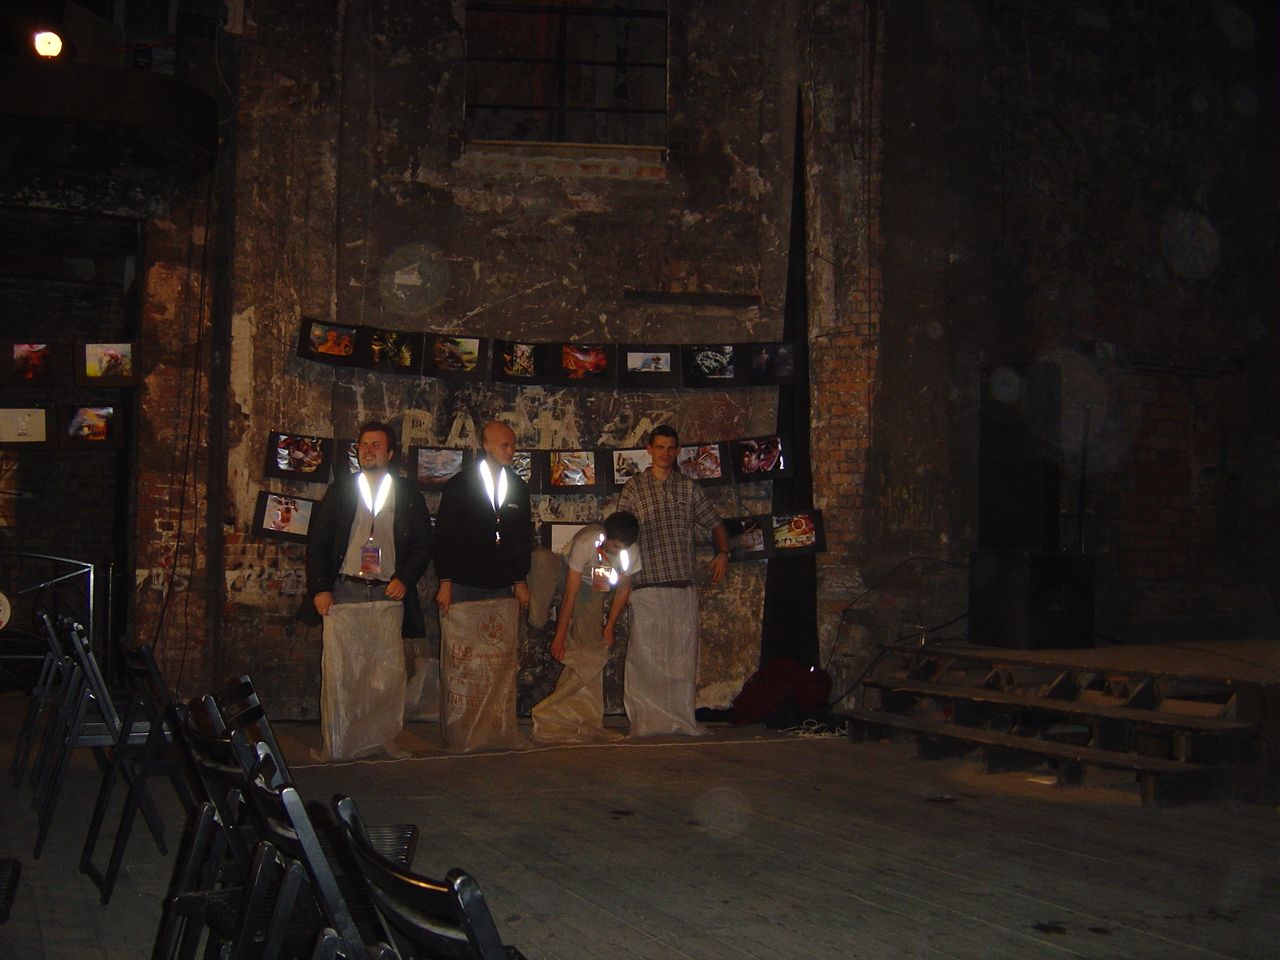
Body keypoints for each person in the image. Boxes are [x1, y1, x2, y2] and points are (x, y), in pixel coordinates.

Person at [298, 421, 433, 761]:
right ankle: (339, 742)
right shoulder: (342, 489)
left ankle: (383, 739)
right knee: (343, 672)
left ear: (390, 453)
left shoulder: (407, 493)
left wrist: (406, 577)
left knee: (385, 672)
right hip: (346, 589)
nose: (368, 450)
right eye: (363, 445)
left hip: (388, 592)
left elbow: (423, 542)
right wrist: (320, 589)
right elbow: (319, 542)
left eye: (376, 445)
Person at [616, 424, 730, 736]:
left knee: (681, 659)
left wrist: (723, 553)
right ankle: (645, 721)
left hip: (682, 585)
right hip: (646, 584)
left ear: (677, 451)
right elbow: (621, 534)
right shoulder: (634, 488)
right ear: (649, 450)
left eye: (671, 448)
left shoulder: (688, 488)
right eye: (660, 447)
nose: (665, 454)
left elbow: (716, 523)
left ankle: (680, 718)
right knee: (644, 659)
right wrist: (616, 576)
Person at [433, 420, 533, 750]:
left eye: (513, 445)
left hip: (501, 584)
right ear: (486, 445)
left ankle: (494, 729)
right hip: (464, 582)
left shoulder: (517, 487)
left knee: (497, 660)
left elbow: (522, 538)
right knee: (464, 661)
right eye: (504, 445)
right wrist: (445, 581)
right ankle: (461, 731)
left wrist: (520, 580)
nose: (510, 451)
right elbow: (444, 535)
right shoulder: (460, 485)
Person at [527, 511, 641, 744]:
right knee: (541, 558)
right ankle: (537, 622)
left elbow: (623, 590)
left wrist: (609, 626)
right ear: (606, 535)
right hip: (567, 573)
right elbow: (571, 594)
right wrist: (559, 637)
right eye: (613, 546)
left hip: (595, 586)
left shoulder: (630, 553)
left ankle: (582, 716)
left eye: (621, 548)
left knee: (590, 647)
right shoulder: (586, 541)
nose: (616, 551)